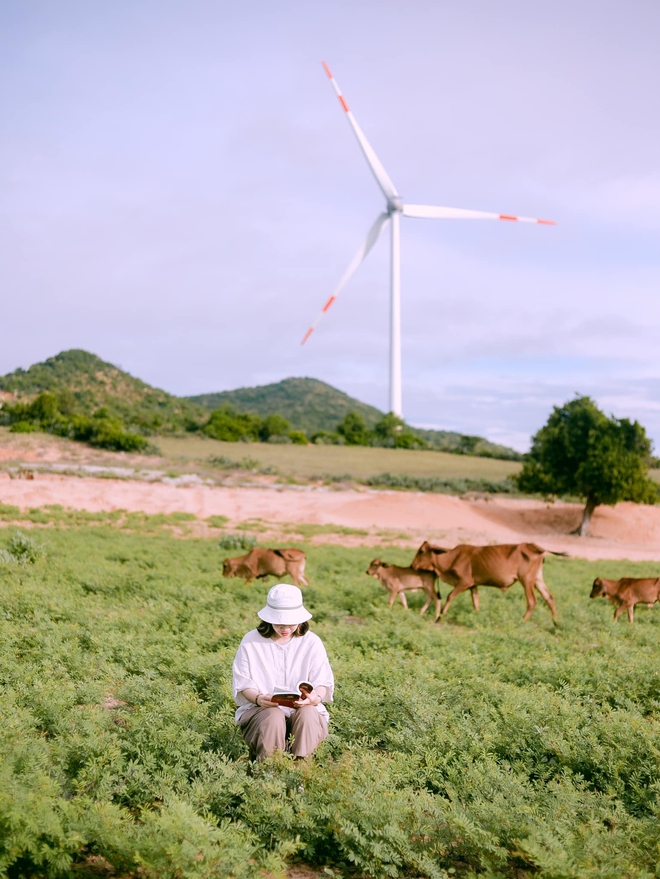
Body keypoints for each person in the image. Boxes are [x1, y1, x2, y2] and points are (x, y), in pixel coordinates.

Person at [232, 582, 334, 761]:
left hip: (304, 713)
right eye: (279, 622)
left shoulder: (312, 642)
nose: (285, 628)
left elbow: (322, 682)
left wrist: (314, 698)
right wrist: (258, 699)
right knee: (273, 715)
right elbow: (243, 683)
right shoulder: (251, 641)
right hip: (262, 711)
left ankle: (301, 770)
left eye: (291, 623)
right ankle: (270, 773)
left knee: (309, 713)